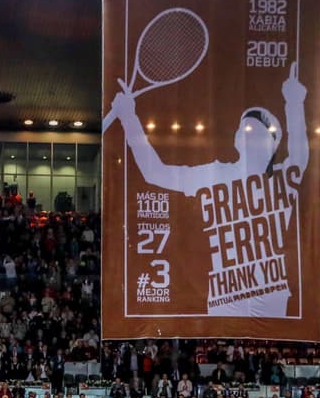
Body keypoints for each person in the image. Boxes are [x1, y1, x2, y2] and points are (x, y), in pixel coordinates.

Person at [108, 60, 308, 318]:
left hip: (271, 299)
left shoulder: (283, 180)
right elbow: (155, 172)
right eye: (245, 129)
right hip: (226, 298)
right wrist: (129, 118)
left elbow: (300, 154)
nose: (250, 135)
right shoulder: (217, 174)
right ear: (236, 139)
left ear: (273, 146)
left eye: (260, 133)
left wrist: (294, 101)